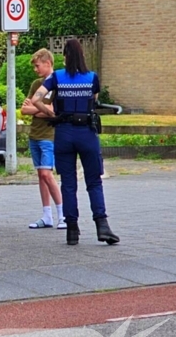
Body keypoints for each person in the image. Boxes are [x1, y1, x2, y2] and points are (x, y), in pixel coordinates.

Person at [29, 39, 119, 246]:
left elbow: (36, 99)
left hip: (64, 133)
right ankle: (102, 225)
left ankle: (72, 229)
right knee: (94, 181)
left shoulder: (57, 77)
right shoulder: (91, 77)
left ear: (66, 56)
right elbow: (93, 99)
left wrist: (51, 113)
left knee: (68, 183)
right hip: (87, 133)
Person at [20, 48, 65, 230]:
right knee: (40, 174)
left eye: (38, 66)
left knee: (47, 174)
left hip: (49, 135)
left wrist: (37, 109)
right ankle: (47, 215)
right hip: (35, 134)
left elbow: (55, 112)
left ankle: (62, 215)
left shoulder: (57, 84)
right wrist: (41, 110)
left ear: (48, 63)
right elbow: (24, 109)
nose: (35, 69)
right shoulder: (37, 84)